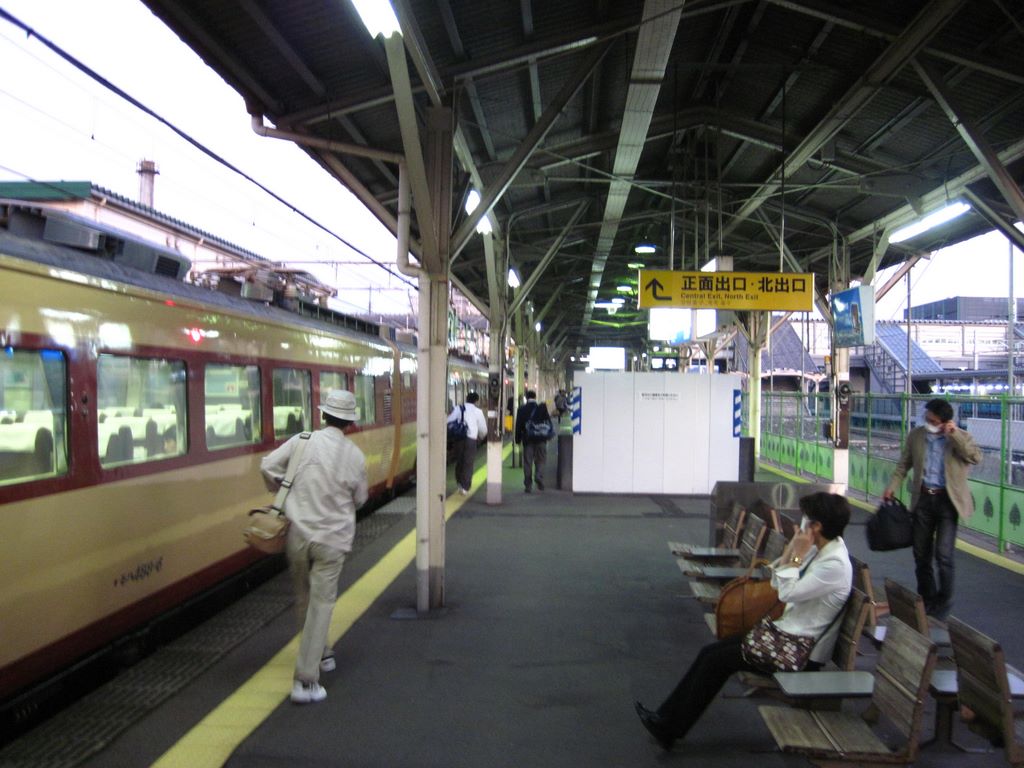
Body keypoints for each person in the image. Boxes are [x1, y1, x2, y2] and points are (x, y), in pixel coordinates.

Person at [634, 492, 853, 751]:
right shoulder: (820, 550)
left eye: (805, 519)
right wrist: (793, 550)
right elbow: (776, 577)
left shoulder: (834, 564)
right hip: (783, 638)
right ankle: (665, 720)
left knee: (717, 661)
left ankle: (669, 728)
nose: (800, 524)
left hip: (798, 655)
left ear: (816, 526)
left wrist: (797, 556)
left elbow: (786, 592)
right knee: (710, 653)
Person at [260, 389, 368, 704]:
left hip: (297, 535)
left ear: (323, 415)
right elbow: (360, 499)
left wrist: (284, 488)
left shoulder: (302, 440)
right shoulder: (355, 456)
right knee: (322, 604)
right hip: (332, 540)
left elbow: (267, 466)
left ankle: (322, 652)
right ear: (350, 423)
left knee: (304, 599)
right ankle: (306, 681)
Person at [883, 397, 981, 620]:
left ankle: (944, 601)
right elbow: (903, 464)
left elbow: (975, 457)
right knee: (921, 553)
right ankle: (927, 599)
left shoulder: (960, 437)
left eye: (933, 421)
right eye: (927, 419)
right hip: (924, 499)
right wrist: (892, 487)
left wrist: (954, 435)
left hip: (948, 502)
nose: (928, 423)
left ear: (945, 422)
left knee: (944, 555)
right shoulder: (916, 436)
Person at [447, 391, 488, 495]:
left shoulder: (458, 408)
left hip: (459, 439)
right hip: (471, 440)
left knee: (459, 461)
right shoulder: (478, 411)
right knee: (468, 463)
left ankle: (459, 483)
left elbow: (448, 420)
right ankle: (465, 486)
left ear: (466, 399)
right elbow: (483, 429)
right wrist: (481, 438)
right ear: (476, 401)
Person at [514, 390, 553, 493]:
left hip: (528, 440)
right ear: (535, 397)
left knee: (528, 462)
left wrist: (517, 439)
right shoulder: (541, 408)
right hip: (541, 439)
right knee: (541, 460)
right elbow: (547, 423)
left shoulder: (521, 409)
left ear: (526, 398)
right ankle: (539, 476)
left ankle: (528, 485)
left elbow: (518, 426)